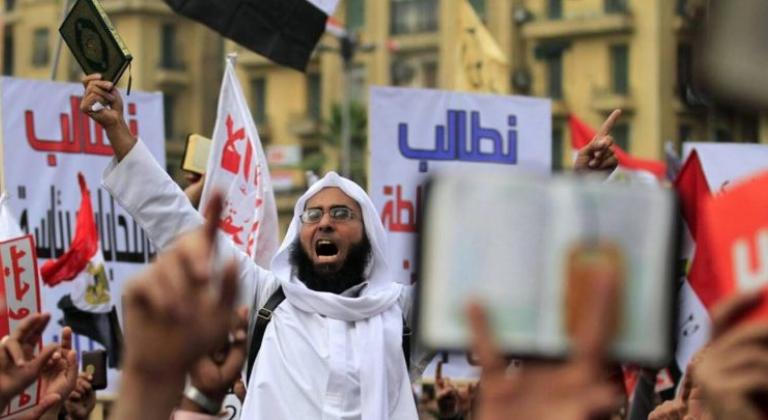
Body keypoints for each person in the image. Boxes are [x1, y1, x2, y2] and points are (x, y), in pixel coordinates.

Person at [79, 74, 620, 419]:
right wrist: (120, 134)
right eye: (313, 215)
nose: (325, 224)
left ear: (368, 236)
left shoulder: (402, 313)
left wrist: (579, 190)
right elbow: (179, 227)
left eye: (342, 215)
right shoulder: (265, 298)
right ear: (298, 235)